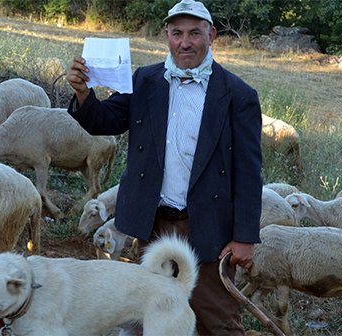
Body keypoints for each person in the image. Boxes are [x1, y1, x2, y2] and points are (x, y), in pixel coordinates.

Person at [66, 0, 262, 334]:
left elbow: (248, 171)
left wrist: (244, 237)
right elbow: (104, 120)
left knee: (217, 319)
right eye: (177, 33)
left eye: (194, 33)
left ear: (211, 35)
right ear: (167, 37)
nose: (185, 42)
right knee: (152, 314)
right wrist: (84, 93)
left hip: (207, 226)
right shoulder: (145, 80)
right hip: (153, 223)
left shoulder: (237, 94)